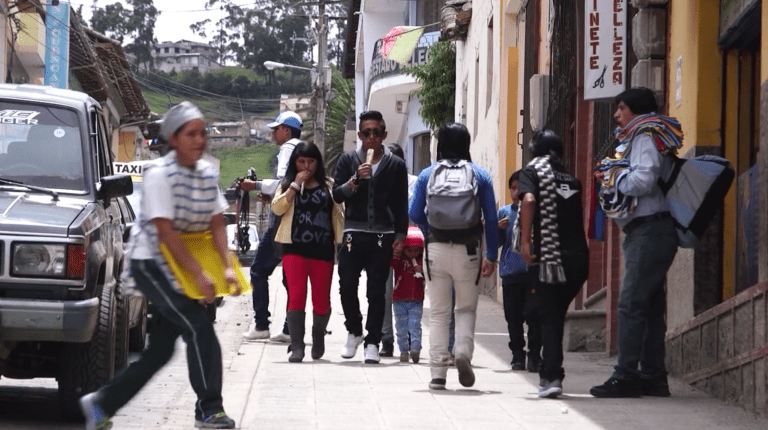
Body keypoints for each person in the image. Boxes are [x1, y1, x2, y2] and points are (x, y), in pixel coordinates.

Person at [79, 101, 238, 429]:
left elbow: (217, 223)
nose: (200, 140)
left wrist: (225, 267)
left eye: (202, 133)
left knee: (159, 353)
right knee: (199, 327)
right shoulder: (158, 177)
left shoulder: (207, 174)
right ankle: (210, 409)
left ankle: (100, 403)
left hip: (183, 266)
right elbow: (166, 236)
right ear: (173, 138)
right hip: (151, 264)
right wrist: (199, 275)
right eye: (191, 134)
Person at [590, 87, 680, 398]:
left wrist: (614, 180)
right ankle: (653, 377)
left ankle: (625, 375)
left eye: (622, 108)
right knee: (650, 308)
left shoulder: (643, 136)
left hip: (649, 231)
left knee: (629, 304)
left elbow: (644, 178)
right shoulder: (648, 135)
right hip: (650, 231)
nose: (616, 114)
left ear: (636, 111)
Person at [409, 122, 498, 390]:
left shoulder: (427, 174)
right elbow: (492, 220)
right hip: (468, 251)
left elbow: (414, 213)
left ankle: (437, 373)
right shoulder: (479, 175)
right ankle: (461, 351)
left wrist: (431, 231)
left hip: (435, 249)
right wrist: (491, 255)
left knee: (438, 313)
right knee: (465, 309)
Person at [332, 110, 409, 364]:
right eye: (367, 133)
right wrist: (355, 179)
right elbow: (337, 195)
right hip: (353, 233)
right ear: (360, 135)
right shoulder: (347, 160)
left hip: (383, 235)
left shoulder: (395, 165)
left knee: (377, 291)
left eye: (377, 132)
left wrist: (400, 234)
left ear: (384, 134)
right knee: (346, 285)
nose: (372, 137)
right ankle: (354, 331)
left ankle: (373, 342)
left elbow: (400, 203)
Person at [517, 130, 589, 398]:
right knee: (556, 314)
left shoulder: (533, 172)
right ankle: (552, 373)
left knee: (549, 317)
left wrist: (525, 242)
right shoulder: (572, 179)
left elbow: (529, 200)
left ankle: (551, 376)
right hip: (578, 259)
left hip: (550, 258)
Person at [271, 142, 344, 362]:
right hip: (294, 248)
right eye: (301, 161)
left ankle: (318, 336)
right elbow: (277, 208)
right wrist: (294, 186)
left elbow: (340, 210)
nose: (306, 166)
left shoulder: (329, 185)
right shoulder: (286, 184)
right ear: (295, 162)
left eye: (311, 161)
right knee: (296, 295)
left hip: (323, 249)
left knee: (321, 300)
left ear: (318, 163)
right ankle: (297, 346)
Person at [240, 111, 303, 342]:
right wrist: (273, 196)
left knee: (257, 271)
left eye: (276, 129)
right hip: (299, 222)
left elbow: (282, 182)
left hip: (283, 222)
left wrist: (254, 184)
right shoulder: (306, 149)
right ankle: (289, 328)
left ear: (287, 129)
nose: (273, 133)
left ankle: (261, 324)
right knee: (290, 277)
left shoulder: (288, 149)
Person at [498, 170, 541, 372]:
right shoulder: (504, 213)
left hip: (532, 273)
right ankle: (517, 355)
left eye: (520, 188)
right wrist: (498, 229)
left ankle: (534, 355)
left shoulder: (536, 212)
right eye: (513, 188)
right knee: (513, 319)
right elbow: (496, 243)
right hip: (510, 274)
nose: (516, 192)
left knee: (534, 316)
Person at [380, 143, 418, 357]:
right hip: (385, 244)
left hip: (410, 247)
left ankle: (411, 338)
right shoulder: (378, 184)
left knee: (409, 294)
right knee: (384, 294)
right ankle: (386, 339)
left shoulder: (413, 183)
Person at [390, 226, 426, 363]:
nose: (412, 253)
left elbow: (429, 275)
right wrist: (397, 251)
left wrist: (421, 270)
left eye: (416, 250)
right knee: (401, 327)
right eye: (409, 250)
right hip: (399, 298)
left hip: (416, 299)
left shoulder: (422, 262)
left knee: (415, 325)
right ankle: (403, 350)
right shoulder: (399, 260)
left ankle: (415, 349)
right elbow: (391, 263)